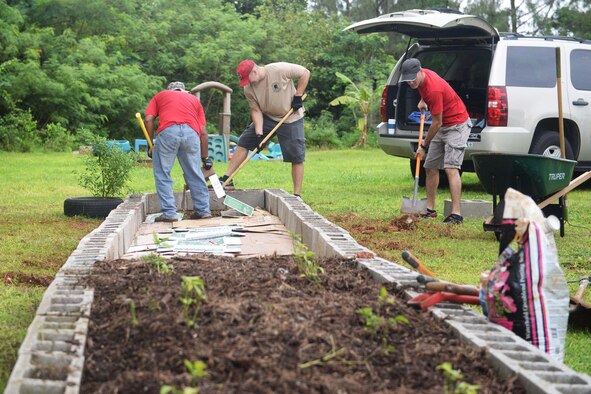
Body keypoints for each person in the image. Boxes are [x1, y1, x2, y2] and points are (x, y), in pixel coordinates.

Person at [219, 60, 310, 197]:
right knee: (243, 142)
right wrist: (259, 134)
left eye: (247, 79)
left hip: (291, 117)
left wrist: (298, 96)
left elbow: (305, 72)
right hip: (267, 117)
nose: (247, 83)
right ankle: (227, 179)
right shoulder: (248, 88)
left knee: (296, 156)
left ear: (254, 71)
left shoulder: (279, 69)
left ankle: (297, 194)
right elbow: (256, 111)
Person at [400, 58, 471, 224]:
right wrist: (423, 100)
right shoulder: (422, 79)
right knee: (430, 167)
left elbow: (436, 122)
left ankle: (456, 214)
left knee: (451, 168)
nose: (410, 82)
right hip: (442, 124)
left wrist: (423, 146)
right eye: (407, 79)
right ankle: (430, 209)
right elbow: (428, 96)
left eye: (413, 78)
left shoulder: (434, 90)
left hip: (457, 125)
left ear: (420, 71)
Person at [144, 81, 212, 222]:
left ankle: (169, 214)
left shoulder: (161, 95)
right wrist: (205, 158)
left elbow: (148, 119)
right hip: (191, 134)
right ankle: (204, 211)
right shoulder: (194, 100)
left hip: (168, 132)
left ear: (169, 90)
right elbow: (204, 132)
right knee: (194, 172)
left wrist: (150, 144)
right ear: (183, 90)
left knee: (163, 173)